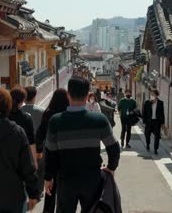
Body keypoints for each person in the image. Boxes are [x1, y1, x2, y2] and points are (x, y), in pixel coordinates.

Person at [44, 76, 120, 213]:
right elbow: (114, 147)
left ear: (68, 95)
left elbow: (50, 153)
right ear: (87, 95)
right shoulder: (99, 120)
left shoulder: (55, 121)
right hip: (92, 178)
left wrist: (48, 177)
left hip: (66, 178)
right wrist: (111, 167)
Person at [35, 88, 70, 213]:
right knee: (66, 191)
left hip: (50, 153)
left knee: (50, 188)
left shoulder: (48, 113)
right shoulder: (68, 114)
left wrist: (39, 150)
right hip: (67, 155)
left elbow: (40, 134)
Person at [9, 86, 37, 166]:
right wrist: (34, 161)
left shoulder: (4, 116)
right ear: (22, 101)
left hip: (7, 157)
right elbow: (31, 141)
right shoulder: (27, 118)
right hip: (22, 157)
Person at [142, 89, 165, 155]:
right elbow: (144, 112)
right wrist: (144, 121)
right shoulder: (147, 102)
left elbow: (162, 113)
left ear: (156, 95)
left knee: (157, 136)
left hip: (157, 122)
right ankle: (148, 144)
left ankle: (155, 149)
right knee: (147, 135)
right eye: (151, 94)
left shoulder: (160, 103)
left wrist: (162, 123)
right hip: (149, 122)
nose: (152, 96)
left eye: (153, 94)